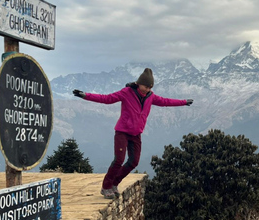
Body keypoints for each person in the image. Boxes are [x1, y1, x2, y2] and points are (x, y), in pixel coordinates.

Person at [73, 68, 193, 199]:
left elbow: (166, 102)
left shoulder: (150, 97)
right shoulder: (127, 92)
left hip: (136, 134)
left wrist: (184, 102)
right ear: (139, 83)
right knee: (119, 159)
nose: (147, 89)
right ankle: (106, 187)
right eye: (145, 86)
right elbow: (107, 99)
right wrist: (85, 95)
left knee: (134, 161)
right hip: (122, 132)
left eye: (149, 87)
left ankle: (114, 183)